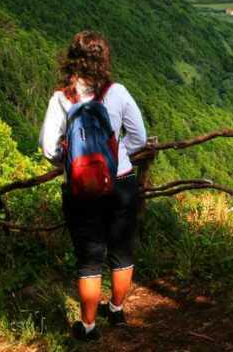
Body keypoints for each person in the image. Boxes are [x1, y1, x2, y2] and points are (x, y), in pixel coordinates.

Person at [39, 30, 147, 341]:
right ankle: (116, 310)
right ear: (104, 60)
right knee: (122, 252)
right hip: (121, 181)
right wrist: (116, 156)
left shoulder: (61, 98)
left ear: (72, 59)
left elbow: (49, 150)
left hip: (80, 191)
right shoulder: (118, 92)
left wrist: (74, 164)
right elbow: (138, 137)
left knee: (89, 259)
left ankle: (87, 327)